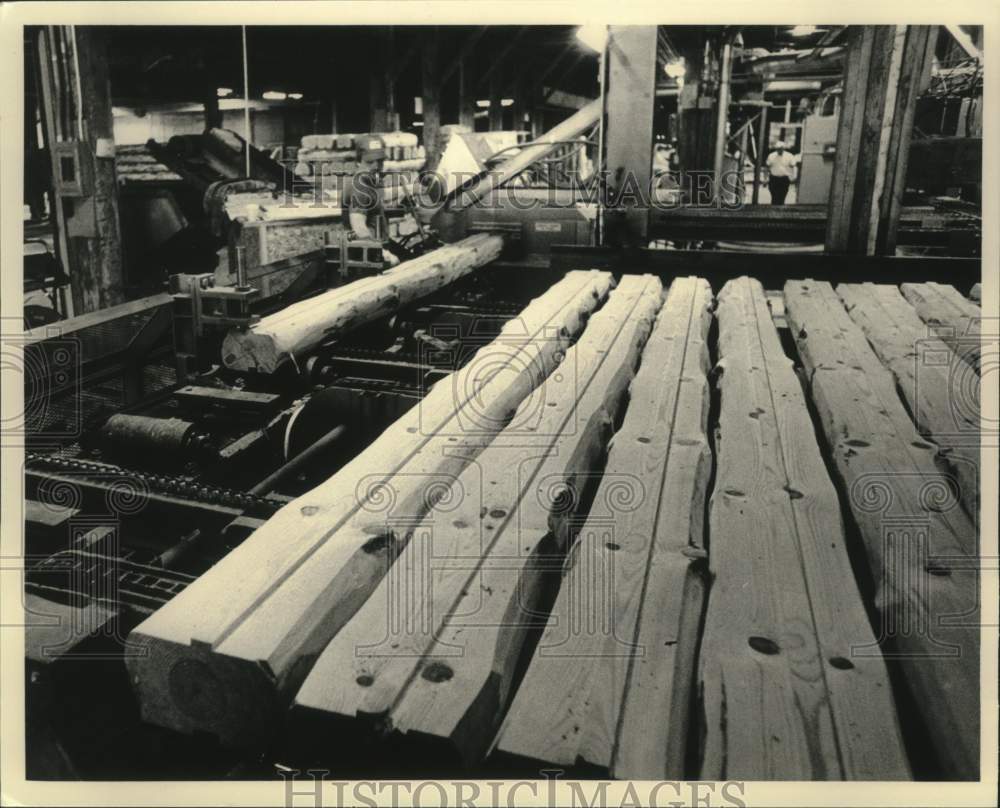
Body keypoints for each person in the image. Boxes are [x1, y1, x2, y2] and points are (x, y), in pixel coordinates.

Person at [764, 140, 797, 205]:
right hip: (774, 179)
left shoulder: (789, 156)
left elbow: (794, 166)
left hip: (784, 179)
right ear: (776, 149)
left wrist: (794, 176)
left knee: (782, 196)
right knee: (774, 196)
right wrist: (765, 178)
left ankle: (780, 208)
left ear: (784, 148)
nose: (779, 150)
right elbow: (767, 167)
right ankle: (773, 209)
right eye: (778, 149)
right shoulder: (771, 156)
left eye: (781, 148)